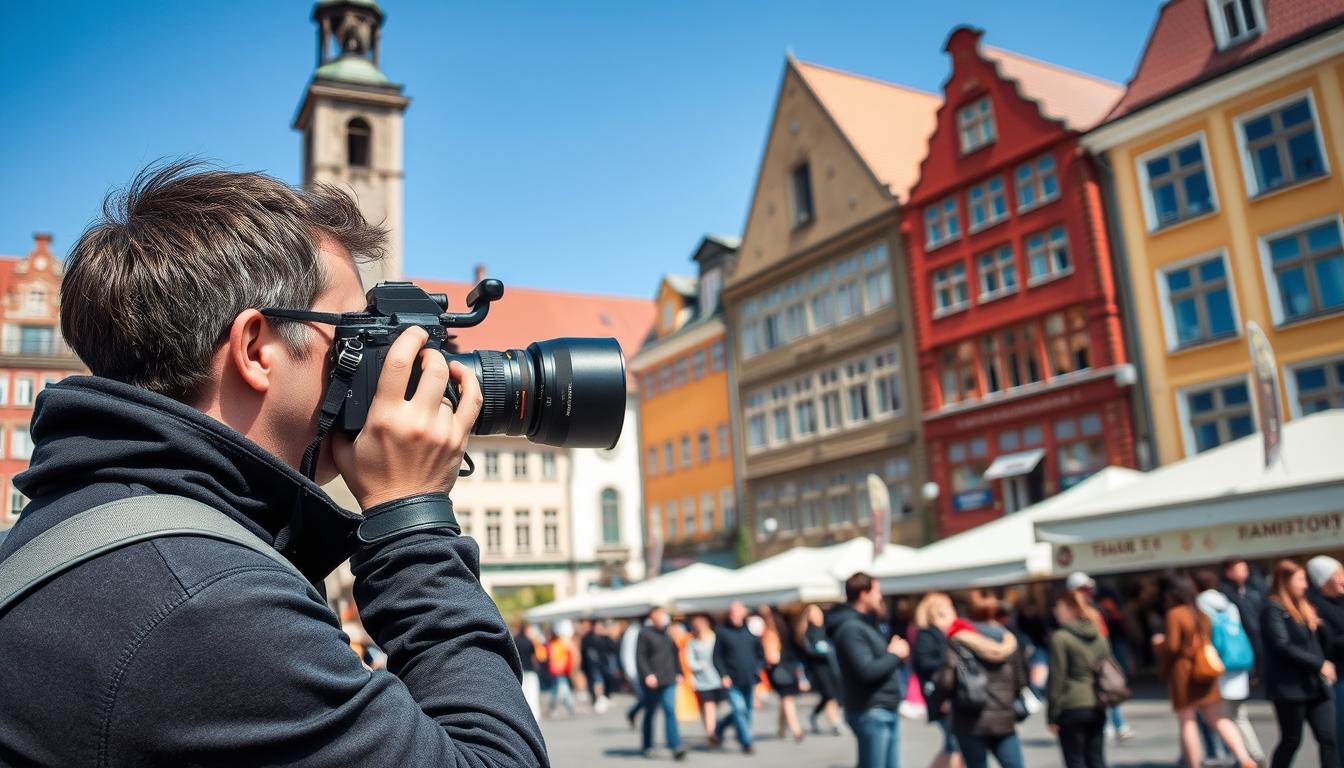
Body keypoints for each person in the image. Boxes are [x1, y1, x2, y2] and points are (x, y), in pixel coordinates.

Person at [0, 164, 547, 765]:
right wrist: (409, 518)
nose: (377, 364)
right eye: (355, 334)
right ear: (257, 349)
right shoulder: (207, 603)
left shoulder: (87, 528)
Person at [1153, 573, 1257, 768]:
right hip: (1206, 669)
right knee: (1218, 719)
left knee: (1188, 721)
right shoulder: (1201, 613)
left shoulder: (1176, 614)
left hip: (1184, 671)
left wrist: (1159, 644)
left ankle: (1194, 765)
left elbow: (1173, 647)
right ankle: (1245, 759)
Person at [828, 572, 910, 768]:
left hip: (883, 707)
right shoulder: (851, 628)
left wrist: (891, 654)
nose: (880, 597)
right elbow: (866, 671)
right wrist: (895, 655)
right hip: (871, 710)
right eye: (877, 591)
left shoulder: (866, 624)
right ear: (864, 594)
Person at [1263, 559, 1338, 768]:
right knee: (1291, 740)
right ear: (1285, 581)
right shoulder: (1273, 609)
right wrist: (1319, 664)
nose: (1305, 585)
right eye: (1300, 579)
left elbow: (1323, 643)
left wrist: (1319, 625)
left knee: (1328, 739)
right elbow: (1282, 645)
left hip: (1315, 686)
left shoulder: (1305, 606)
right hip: (1290, 688)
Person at [936, 598, 1027, 768]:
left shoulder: (958, 641)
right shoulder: (1008, 640)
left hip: (969, 720)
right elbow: (1020, 681)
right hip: (1003, 719)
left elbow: (946, 682)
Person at [1195, 568, 1266, 766]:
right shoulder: (1228, 603)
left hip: (1217, 665)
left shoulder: (1200, 605)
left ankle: (1239, 756)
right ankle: (1254, 754)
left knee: (1221, 717)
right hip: (1239, 663)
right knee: (1239, 715)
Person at [1067, 572, 1133, 742]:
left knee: (1108, 687)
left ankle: (1117, 724)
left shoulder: (1095, 609)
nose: (1088, 592)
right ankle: (1108, 725)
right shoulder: (1069, 613)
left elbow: (1102, 634)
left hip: (1100, 656)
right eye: (1084, 589)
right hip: (1083, 660)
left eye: (1089, 589)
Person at [1048, 591, 1111, 768]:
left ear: (1070, 609)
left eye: (1058, 607)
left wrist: (1052, 715)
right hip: (1097, 703)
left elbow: (1057, 678)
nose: (1055, 611)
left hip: (1071, 706)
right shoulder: (1098, 635)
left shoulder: (1061, 638)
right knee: (1096, 759)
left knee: (1075, 760)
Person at [913, 592, 964, 768]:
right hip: (941, 695)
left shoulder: (942, 633)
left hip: (945, 695)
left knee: (953, 745)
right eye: (948, 606)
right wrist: (951, 662)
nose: (953, 610)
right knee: (956, 745)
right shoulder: (927, 635)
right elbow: (923, 662)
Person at [713, 601, 765, 754]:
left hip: (749, 678)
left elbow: (760, 654)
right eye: (732, 612)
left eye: (738, 612)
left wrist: (757, 669)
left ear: (744, 613)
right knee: (739, 708)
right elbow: (717, 657)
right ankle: (746, 741)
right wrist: (723, 675)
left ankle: (721, 726)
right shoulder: (722, 632)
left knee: (746, 710)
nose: (735, 615)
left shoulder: (750, 631)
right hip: (732, 679)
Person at [1307, 554, 1344, 764]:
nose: (1342, 578)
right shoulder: (1315, 606)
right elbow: (1328, 642)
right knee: (1339, 733)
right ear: (1324, 579)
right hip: (1338, 677)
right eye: (1338, 574)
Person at [636, 605, 687, 760]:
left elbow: (675, 654)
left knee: (670, 710)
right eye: (658, 614)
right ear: (652, 616)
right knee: (650, 712)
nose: (661, 617)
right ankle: (647, 745)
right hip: (653, 680)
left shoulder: (668, 633)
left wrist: (679, 672)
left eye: (663, 614)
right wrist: (647, 674)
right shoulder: (645, 634)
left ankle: (675, 745)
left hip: (669, 678)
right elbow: (640, 657)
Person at [760, 604, 807, 742]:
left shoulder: (770, 633)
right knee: (785, 699)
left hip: (779, 669)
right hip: (790, 667)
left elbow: (772, 657)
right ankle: (782, 729)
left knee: (786, 699)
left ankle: (795, 729)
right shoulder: (786, 629)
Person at [799, 604, 844, 737]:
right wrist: (821, 651)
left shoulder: (826, 630)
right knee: (830, 696)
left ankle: (813, 715)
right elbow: (808, 651)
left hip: (831, 666)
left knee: (828, 695)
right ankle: (836, 723)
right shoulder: (807, 632)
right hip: (818, 669)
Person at [685, 614, 725, 747]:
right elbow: (689, 660)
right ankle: (711, 734)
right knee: (708, 707)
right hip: (702, 680)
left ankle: (714, 729)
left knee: (716, 707)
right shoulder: (692, 642)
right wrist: (699, 666)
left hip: (717, 678)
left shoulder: (715, 638)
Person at [581, 619, 614, 713]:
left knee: (607, 680)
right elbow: (584, 652)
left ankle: (605, 696)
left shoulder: (605, 638)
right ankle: (598, 698)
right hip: (592, 665)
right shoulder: (588, 638)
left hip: (604, 663)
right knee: (598, 681)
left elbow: (612, 648)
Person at [547, 624, 577, 717]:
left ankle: (558, 707)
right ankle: (567, 707)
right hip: (557, 670)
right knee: (561, 689)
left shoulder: (553, 644)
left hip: (558, 670)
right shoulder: (556, 644)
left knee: (558, 689)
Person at [516, 621, 543, 722]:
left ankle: (524, 715)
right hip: (530, 670)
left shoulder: (516, 640)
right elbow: (535, 657)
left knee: (524, 694)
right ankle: (535, 715)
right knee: (533, 694)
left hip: (521, 670)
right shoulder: (530, 641)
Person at [623, 617, 648, 728]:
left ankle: (633, 713)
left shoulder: (641, 630)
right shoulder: (632, 632)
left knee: (646, 698)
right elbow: (628, 653)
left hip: (645, 671)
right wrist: (630, 671)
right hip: (636, 671)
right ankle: (632, 712)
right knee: (644, 697)